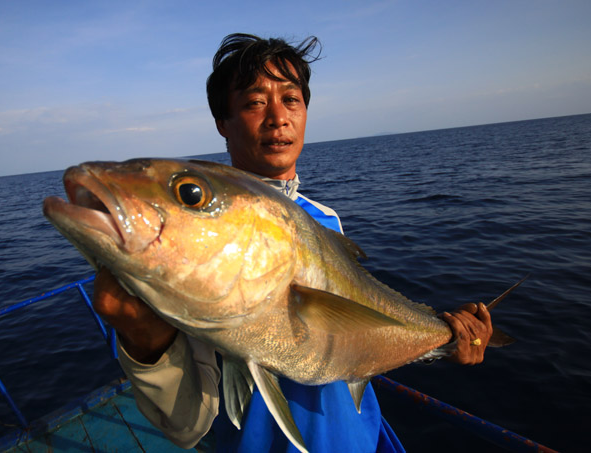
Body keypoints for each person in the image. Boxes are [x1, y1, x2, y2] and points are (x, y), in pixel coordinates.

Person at [91, 33, 493, 451]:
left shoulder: (325, 220)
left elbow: (360, 341)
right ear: (222, 124)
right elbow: (186, 425)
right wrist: (144, 338)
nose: (277, 117)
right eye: (254, 102)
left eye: (291, 100)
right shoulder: (192, 253)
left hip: (362, 440)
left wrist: (446, 341)